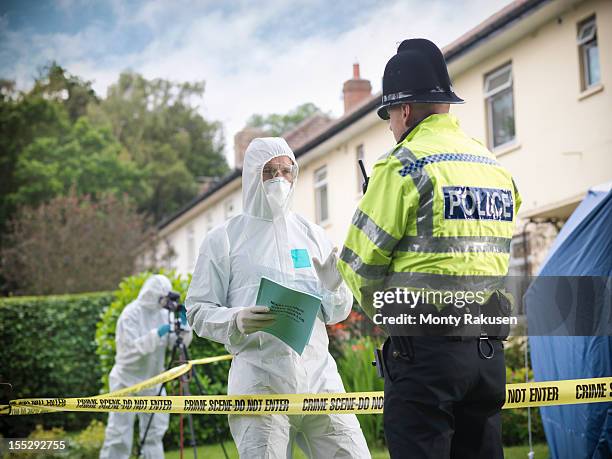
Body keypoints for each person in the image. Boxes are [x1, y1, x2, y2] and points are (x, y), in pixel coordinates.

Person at [337, 39, 521, 459]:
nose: (389, 127)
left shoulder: (402, 164)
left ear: (403, 111)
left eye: (388, 116)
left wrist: (393, 313)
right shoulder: (494, 167)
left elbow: (356, 265)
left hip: (425, 357)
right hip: (488, 355)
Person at [186, 137, 370, 458]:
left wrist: (333, 288)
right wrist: (235, 319)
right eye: (269, 171)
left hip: (319, 377)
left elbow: (337, 313)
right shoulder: (224, 240)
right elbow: (198, 310)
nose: (280, 179)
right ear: (251, 176)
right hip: (260, 380)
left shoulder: (312, 234)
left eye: (287, 171)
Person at [100, 274, 193, 459]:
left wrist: (185, 326)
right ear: (152, 294)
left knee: (154, 433)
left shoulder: (164, 313)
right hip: (125, 381)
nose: (165, 303)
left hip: (153, 381)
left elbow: (177, 342)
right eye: (163, 298)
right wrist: (156, 334)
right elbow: (129, 351)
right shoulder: (130, 314)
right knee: (119, 433)